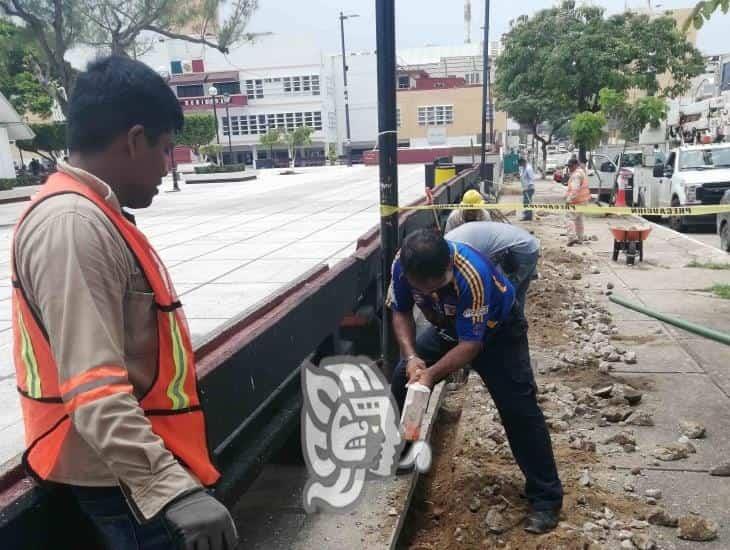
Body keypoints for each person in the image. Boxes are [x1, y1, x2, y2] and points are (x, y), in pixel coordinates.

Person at [11, 56, 237, 550]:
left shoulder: (93, 213)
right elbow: (93, 388)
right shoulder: (72, 226)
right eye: (164, 148)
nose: (166, 165)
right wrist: (171, 491)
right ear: (135, 140)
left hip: (135, 474)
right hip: (128, 487)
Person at [387, 229, 563, 534]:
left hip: (498, 334)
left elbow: (471, 346)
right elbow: (400, 310)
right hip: (450, 327)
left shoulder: (473, 274)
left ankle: (546, 499)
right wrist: (413, 356)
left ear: (446, 268)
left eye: (437, 287)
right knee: (401, 377)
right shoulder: (402, 265)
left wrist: (429, 375)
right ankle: (404, 452)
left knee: (519, 410)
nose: (428, 293)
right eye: (422, 290)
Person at [447, 221, 540, 317]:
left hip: (519, 250)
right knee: (517, 296)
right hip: (528, 244)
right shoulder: (451, 242)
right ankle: (518, 325)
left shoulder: (458, 250)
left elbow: (477, 276)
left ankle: (507, 326)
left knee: (504, 295)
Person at [565, 156, 591, 246]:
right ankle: (580, 238)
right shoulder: (581, 172)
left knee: (569, 218)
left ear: (576, 165)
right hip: (583, 201)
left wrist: (568, 200)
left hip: (576, 201)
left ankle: (572, 238)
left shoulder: (576, 175)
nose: (569, 168)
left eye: (571, 166)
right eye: (568, 166)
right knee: (579, 220)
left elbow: (575, 189)